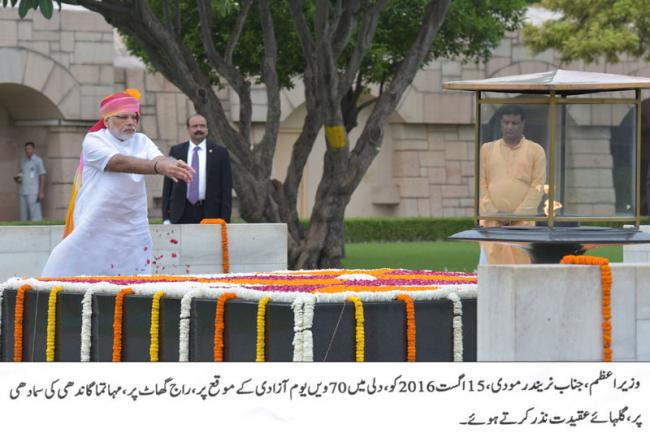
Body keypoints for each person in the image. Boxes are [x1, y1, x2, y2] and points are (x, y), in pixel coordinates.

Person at [41, 89, 193, 277]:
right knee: (70, 270)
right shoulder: (94, 140)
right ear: (107, 121)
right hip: (96, 221)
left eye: (134, 117)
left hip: (132, 223)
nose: (130, 122)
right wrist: (158, 166)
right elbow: (119, 163)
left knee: (135, 276)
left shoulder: (142, 140)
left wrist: (172, 163)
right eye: (123, 117)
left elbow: (159, 158)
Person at [479, 105, 546, 264]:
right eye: (506, 122)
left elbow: (538, 186)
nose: (510, 127)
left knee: (521, 268)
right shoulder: (487, 149)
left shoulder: (536, 150)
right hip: (492, 223)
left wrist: (518, 215)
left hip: (523, 224)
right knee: (491, 269)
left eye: (514, 123)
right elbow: (480, 184)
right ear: (501, 124)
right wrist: (494, 213)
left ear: (523, 124)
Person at [162, 114, 232, 224]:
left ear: (207, 129)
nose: (199, 129)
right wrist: (166, 217)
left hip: (210, 213)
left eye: (202, 126)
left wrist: (225, 218)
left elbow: (226, 188)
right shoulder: (176, 151)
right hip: (181, 212)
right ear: (188, 129)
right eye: (195, 126)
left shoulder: (220, 153)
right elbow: (168, 185)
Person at [15, 141, 46, 221]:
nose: (28, 150)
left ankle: (38, 228)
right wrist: (18, 178)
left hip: (33, 192)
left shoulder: (38, 160)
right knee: (23, 216)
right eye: (26, 149)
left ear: (33, 149)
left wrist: (41, 192)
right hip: (23, 191)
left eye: (29, 148)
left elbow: (42, 176)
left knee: (35, 216)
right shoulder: (23, 161)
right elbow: (21, 173)